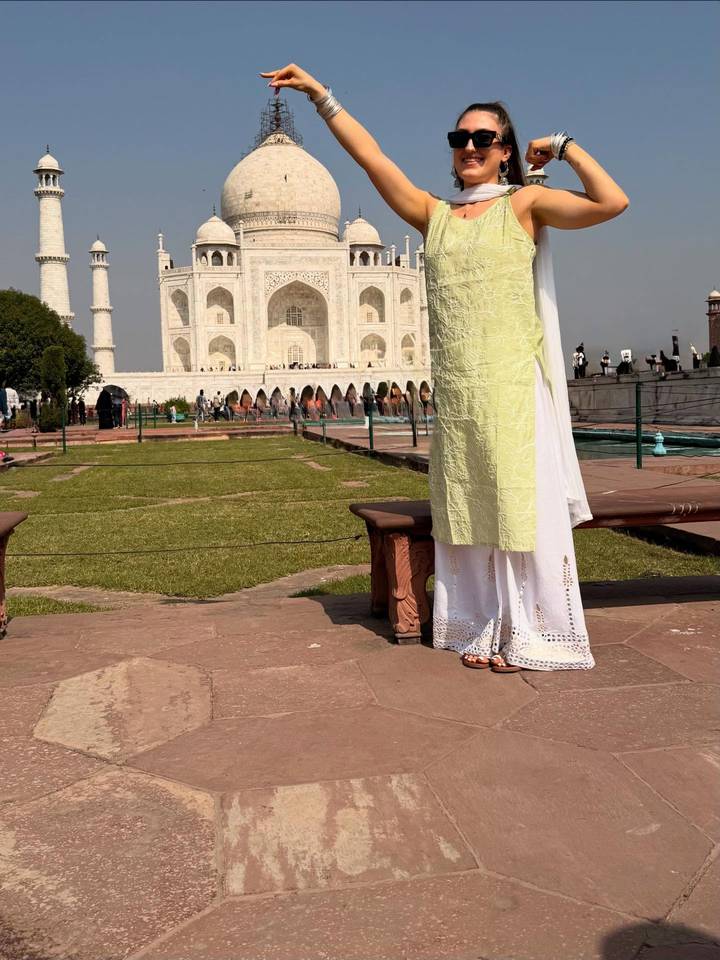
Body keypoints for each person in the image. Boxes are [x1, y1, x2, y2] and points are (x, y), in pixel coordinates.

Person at [261, 64, 629, 672]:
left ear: (505, 152)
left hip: (514, 388)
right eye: (459, 140)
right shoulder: (433, 216)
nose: (468, 150)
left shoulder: (525, 205)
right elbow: (373, 160)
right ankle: (484, 626)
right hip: (460, 395)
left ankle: (530, 632)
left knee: (518, 509)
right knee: (470, 509)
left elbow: (612, 202)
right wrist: (322, 97)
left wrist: (562, 147)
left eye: (482, 139)